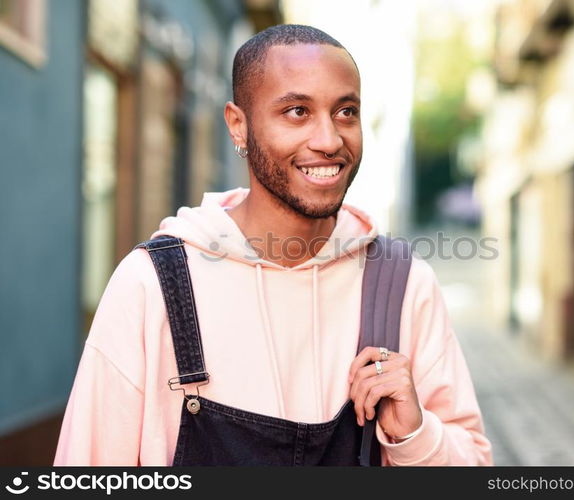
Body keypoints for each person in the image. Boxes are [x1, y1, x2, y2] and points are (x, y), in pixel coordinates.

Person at [53, 24, 492, 466]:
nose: (329, 140)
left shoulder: (402, 284)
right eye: (297, 111)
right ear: (238, 126)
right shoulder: (153, 286)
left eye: (346, 112)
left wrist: (414, 435)